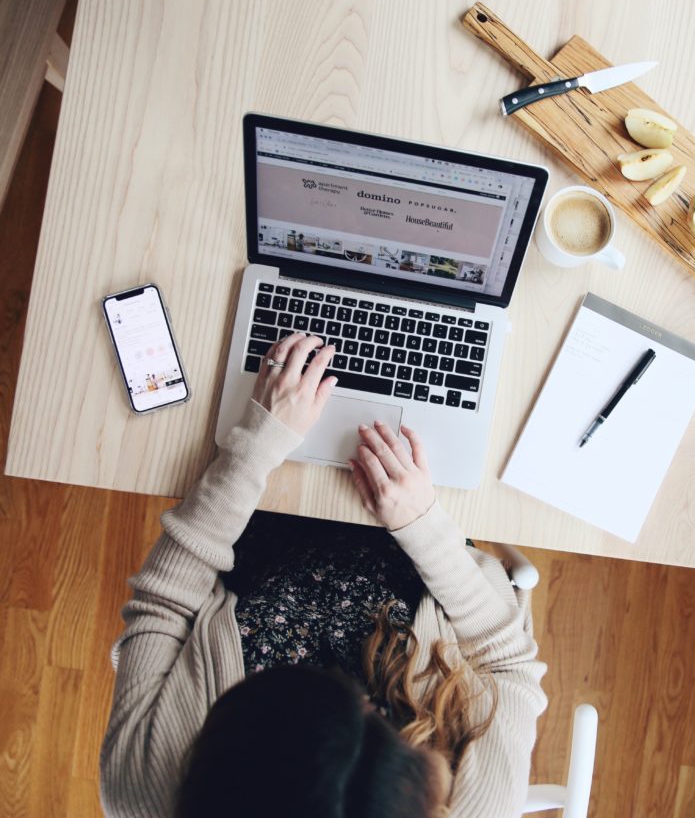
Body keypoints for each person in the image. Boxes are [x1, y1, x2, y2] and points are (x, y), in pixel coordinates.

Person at [99, 333, 547, 817]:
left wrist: (257, 444)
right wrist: (424, 525)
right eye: (375, 716)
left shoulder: (140, 790)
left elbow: (165, 603)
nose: (361, 693)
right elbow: (507, 664)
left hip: (254, 526)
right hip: (430, 552)